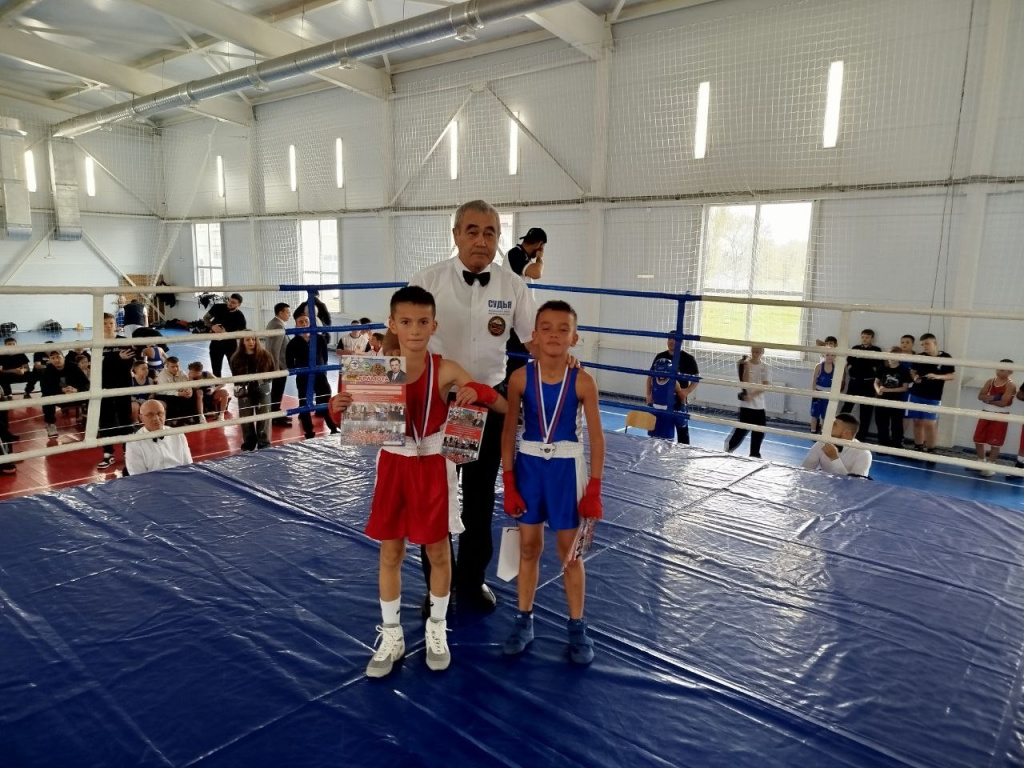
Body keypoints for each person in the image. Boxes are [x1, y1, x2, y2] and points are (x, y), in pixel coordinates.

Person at [330, 286, 507, 677]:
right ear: (392, 324)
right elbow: (352, 423)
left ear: (434, 326)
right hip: (394, 464)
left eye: (423, 322)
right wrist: (336, 409)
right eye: (406, 322)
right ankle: (392, 635)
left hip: (433, 466)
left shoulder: (446, 369)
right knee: (390, 552)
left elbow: (502, 405)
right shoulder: (376, 369)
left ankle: (437, 628)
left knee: (439, 552)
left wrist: (477, 390)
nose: (414, 329)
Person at [404, 199, 538, 614]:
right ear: (456, 235)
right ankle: (437, 585)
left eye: (490, 232)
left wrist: (565, 364)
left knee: (480, 499)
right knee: (436, 499)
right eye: (473, 231)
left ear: (498, 239)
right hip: (437, 407)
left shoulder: (513, 285)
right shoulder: (428, 280)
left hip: (487, 404)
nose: (481, 240)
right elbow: (400, 337)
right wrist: (373, 385)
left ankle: (472, 578)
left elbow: (535, 340)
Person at [500, 300, 605, 664]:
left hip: (566, 470)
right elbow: (508, 431)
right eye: (546, 328)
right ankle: (523, 620)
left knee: (569, 554)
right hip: (529, 467)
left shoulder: (584, 381)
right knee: (528, 548)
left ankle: (577, 627)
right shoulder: (519, 378)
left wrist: (595, 487)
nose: (554, 335)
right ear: (534, 335)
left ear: (574, 337)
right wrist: (508, 481)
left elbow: (597, 438)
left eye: (563, 329)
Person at [285, 316, 338, 440]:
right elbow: (289, 362)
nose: (304, 324)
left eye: (306, 321)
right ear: (296, 325)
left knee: (326, 400)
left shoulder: (319, 339)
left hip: (319, 375)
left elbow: (325, 357)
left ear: (310, 323)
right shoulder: (293, 343)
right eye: (301, 322)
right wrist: (300, 368)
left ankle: (333, 428)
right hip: (303, 376)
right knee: (304, 403)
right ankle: (309, 432)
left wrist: (321, 368)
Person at [504, 227, 547, 378]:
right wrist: (540, 259)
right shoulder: (515, 253)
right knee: (517, 359)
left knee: (520, 357)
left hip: (520, 314)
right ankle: (511, 388)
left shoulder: (522, 256)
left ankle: (514, 387)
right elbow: (537, 273)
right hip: (515, 317)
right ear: (539, 245)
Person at [97, 313, 137, 469]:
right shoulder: (97, 343)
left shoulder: (123, 342)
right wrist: (117, 359)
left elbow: (128, 364)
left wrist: (112, 362)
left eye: (111, 323)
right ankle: (108, 454)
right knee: (105, 420)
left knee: (125, 419)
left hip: (122, 386)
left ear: (115, 325)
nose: (108, 326)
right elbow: (98, 367)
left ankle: (129, 452)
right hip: (104, 387)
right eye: (105, 323)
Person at [908, 332, 955, 460]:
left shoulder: (945, 357)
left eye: (927, 344)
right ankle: (918, 447)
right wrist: (915, 377)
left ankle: (931, 449)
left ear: (935, 343)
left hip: (933, 395)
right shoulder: (920, 357)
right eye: (922, 344)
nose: (925, 346)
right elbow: (913, 371)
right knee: (917, 421)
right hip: (917, 393)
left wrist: (937, 376)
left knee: (930, 423)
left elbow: (952, 376)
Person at [646, 332, 699, 443]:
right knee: (657, 429)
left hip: (679, 399)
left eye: (674, 339)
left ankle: (683, 452)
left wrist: (687, 391)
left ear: (681, 341)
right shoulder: (660, 357)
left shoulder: (688, 358)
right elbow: (650, 377)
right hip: (660, 399)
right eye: (670, 339)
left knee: (682, 429)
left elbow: (696, 378)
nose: (671, 341)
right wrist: (648, 394)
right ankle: (655, 451)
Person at [229, 336, 275, 451]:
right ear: (242, 342)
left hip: (262, 389)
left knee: (264, 417)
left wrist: (261, 381)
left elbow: (272, 372)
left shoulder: (265, 355)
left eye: (253, 339)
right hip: (244, 390)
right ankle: (249, 443)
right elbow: (235, 375)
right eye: (248, 340)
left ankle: (264, 443)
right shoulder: (236, 357)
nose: (251, 342)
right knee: (245, 418)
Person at [125, 400, 193, 475]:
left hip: (179, 478)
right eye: (150, 415)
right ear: (141, 418)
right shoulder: (133, 443)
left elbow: (188, 465)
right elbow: (138, 476)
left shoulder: (178, 435)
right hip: (152, 481)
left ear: (165, 414)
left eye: (159, 413)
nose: (156, 418)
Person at [973, 361, 1015, 477]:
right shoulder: (990, 381)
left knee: (995, 442)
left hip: (1000, 415)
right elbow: (980, 396)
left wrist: (987, 399)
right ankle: (981, 462)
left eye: (1002, 369)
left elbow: (1003, 403)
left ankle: (991, 465)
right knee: (978, 439)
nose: (998, 371)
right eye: (998, 369)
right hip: (986, 413)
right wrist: (995, 398)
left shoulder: (1010, 385)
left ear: (1010, 371)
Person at [725, 346, 769, 458]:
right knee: (742, 430)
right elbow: (745, 382)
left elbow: (765, 385)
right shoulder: (745, 364)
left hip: (759, 404)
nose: (755, 354)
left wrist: (752, 395)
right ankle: (728, 449)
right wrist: (746, 367)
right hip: (746, 405)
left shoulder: (765, 367)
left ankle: (754, 454)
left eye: (757, 352)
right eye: (753, 351)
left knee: (760, 430)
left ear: (762, 353)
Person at [840, 329, 881, 442]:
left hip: (868, 383)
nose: (864, 339)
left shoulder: (876, 350)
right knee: (847, 407)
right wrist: (851, 369)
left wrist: (870, 369)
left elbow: (878, 365)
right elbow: (850, 362)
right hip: (854, 382)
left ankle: (861, 436)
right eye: (863, 337)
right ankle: (839, 429)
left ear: (872, 338)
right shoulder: (855, 348)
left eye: (867, 337)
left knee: (866, 410)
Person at [801, 413, 872, 477]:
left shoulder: (863, 454)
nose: (828, 427)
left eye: (834, 425)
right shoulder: (821, 443)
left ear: (846, 433)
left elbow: (855, 484)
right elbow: (804, 471)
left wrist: (834, 459)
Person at [41, 349, 89, 439]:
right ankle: (51, 424)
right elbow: (45, 388)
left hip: (75, 395)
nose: (56, 360)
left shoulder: (74, 367)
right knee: (45, 398)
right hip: (59, 397)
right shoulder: (48, 370)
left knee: (91, 395)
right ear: (50, 360)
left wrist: (76, 390)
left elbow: (86, 384)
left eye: (58, 357)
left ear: (63, 357)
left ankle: (90, 420)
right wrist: (61, 390)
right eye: (53, 358)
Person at [873, 347, 913, 449]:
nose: (892, 358)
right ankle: (883, 444)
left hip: (896, 400)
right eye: (890, 355)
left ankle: (897, 445)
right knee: (882, 423)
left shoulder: (904, 370)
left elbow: (904, 388)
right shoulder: (882, 368)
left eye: (895, 355)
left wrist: (887, 390)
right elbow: (876, 382)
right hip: (881, 400)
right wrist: (878, 390)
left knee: (897, 424)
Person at [204, 293, 246, 378]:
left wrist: (227, 334)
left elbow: (242, 334)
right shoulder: (217, 307)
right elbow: (206, 318)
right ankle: (217, 385)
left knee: (235, 368)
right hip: (216, 343)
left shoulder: (240, 316)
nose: (229, 303)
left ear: (239, 304)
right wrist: (212, 326)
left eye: (233, 302)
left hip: (231, 345)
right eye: (229, 300)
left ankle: (238, 385)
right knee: (216, 369)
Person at [265, 302, 293, 428]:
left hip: (279, 364)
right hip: (279, 365)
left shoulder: (274, 323)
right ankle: (275, 416)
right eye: (288, 312)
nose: (289, 315)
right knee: (277, 390)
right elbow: (274, 349)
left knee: (277, 390)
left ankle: (276, 412)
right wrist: (275, 367)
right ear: (280, 313)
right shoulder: (277, 325)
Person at [155, 356, 196, 426]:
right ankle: (172, 420)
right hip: (164, 394)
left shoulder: (182, 373)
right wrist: (179, 393)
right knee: (173, 399)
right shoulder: (162, 375)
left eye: (177, 366)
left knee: (192, 395)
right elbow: (166, 391)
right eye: (172, 366)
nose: (175, 368)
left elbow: (187, 384)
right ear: (167, 366)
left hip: (178, 392)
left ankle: (189, 417)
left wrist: (189, 391)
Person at [809, 336, 837, 434]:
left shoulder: (836, 367)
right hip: (818, 393)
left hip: (828, 394)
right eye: (827, 355)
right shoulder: (819, 366)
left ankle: (823, 432)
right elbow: (813, 380)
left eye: (832, 355)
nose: (830, 357)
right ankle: (813, 431)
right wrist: (813, 392)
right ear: (824, 355)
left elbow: (836, 383)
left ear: (835, 356)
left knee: (826, 415)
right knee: (814, 414)